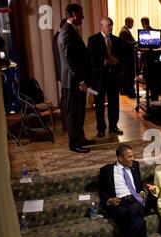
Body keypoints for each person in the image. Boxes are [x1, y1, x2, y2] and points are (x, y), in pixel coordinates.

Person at [99, 144, 152, 237]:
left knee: (135, 210)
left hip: (136, 201)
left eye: (133, 156)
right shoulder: (107, 170)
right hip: (120, 204)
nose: (133, 159)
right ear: (119, 158)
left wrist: (141, 191)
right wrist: (109, 200)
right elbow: (102, 191)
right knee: (137, 220)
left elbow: (139, 183)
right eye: (129, 157)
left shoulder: (135, 166)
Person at [58, 4, 95, 153]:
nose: (83, 16)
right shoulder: (67, 32)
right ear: (73, 14)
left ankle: (80, 138)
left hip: (77, 80)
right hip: (73, 82)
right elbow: (70, 60)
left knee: (79, 111)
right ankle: (74, 144)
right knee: (73, 114)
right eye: (81, 13)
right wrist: (81, 81)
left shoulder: (72, 30)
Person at [87, 17, 124, 138]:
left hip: (113, 77)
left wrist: (117, 61)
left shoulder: (117, 40)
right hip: (99, 78)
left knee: (114, 103)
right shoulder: (93, 40)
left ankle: (114, 126)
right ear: (101, 26)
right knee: (99, 104)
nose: (111, 27)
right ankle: (101, 128)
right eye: (108, 25)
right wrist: (105, 61)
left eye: (112, 25)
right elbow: (90, 60)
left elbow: (122, 58)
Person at [52, 18, 68, 131]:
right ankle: (66, 124)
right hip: (65, 73)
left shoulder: (57, 36)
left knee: (65, 98)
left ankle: (66, 123)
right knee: (66, 99)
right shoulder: (60, 37)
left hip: (63, 73)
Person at [119, 17, 136, 98]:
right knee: (129, 75)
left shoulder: (125, 30)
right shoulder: (124, 31)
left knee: (126, 75)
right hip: (127, 57)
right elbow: (126, 43)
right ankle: (131, 93)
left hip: (126, 57)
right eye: (132, 23)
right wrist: (136, 42)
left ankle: (125, 91)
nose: (133, 24)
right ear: (128, 22)